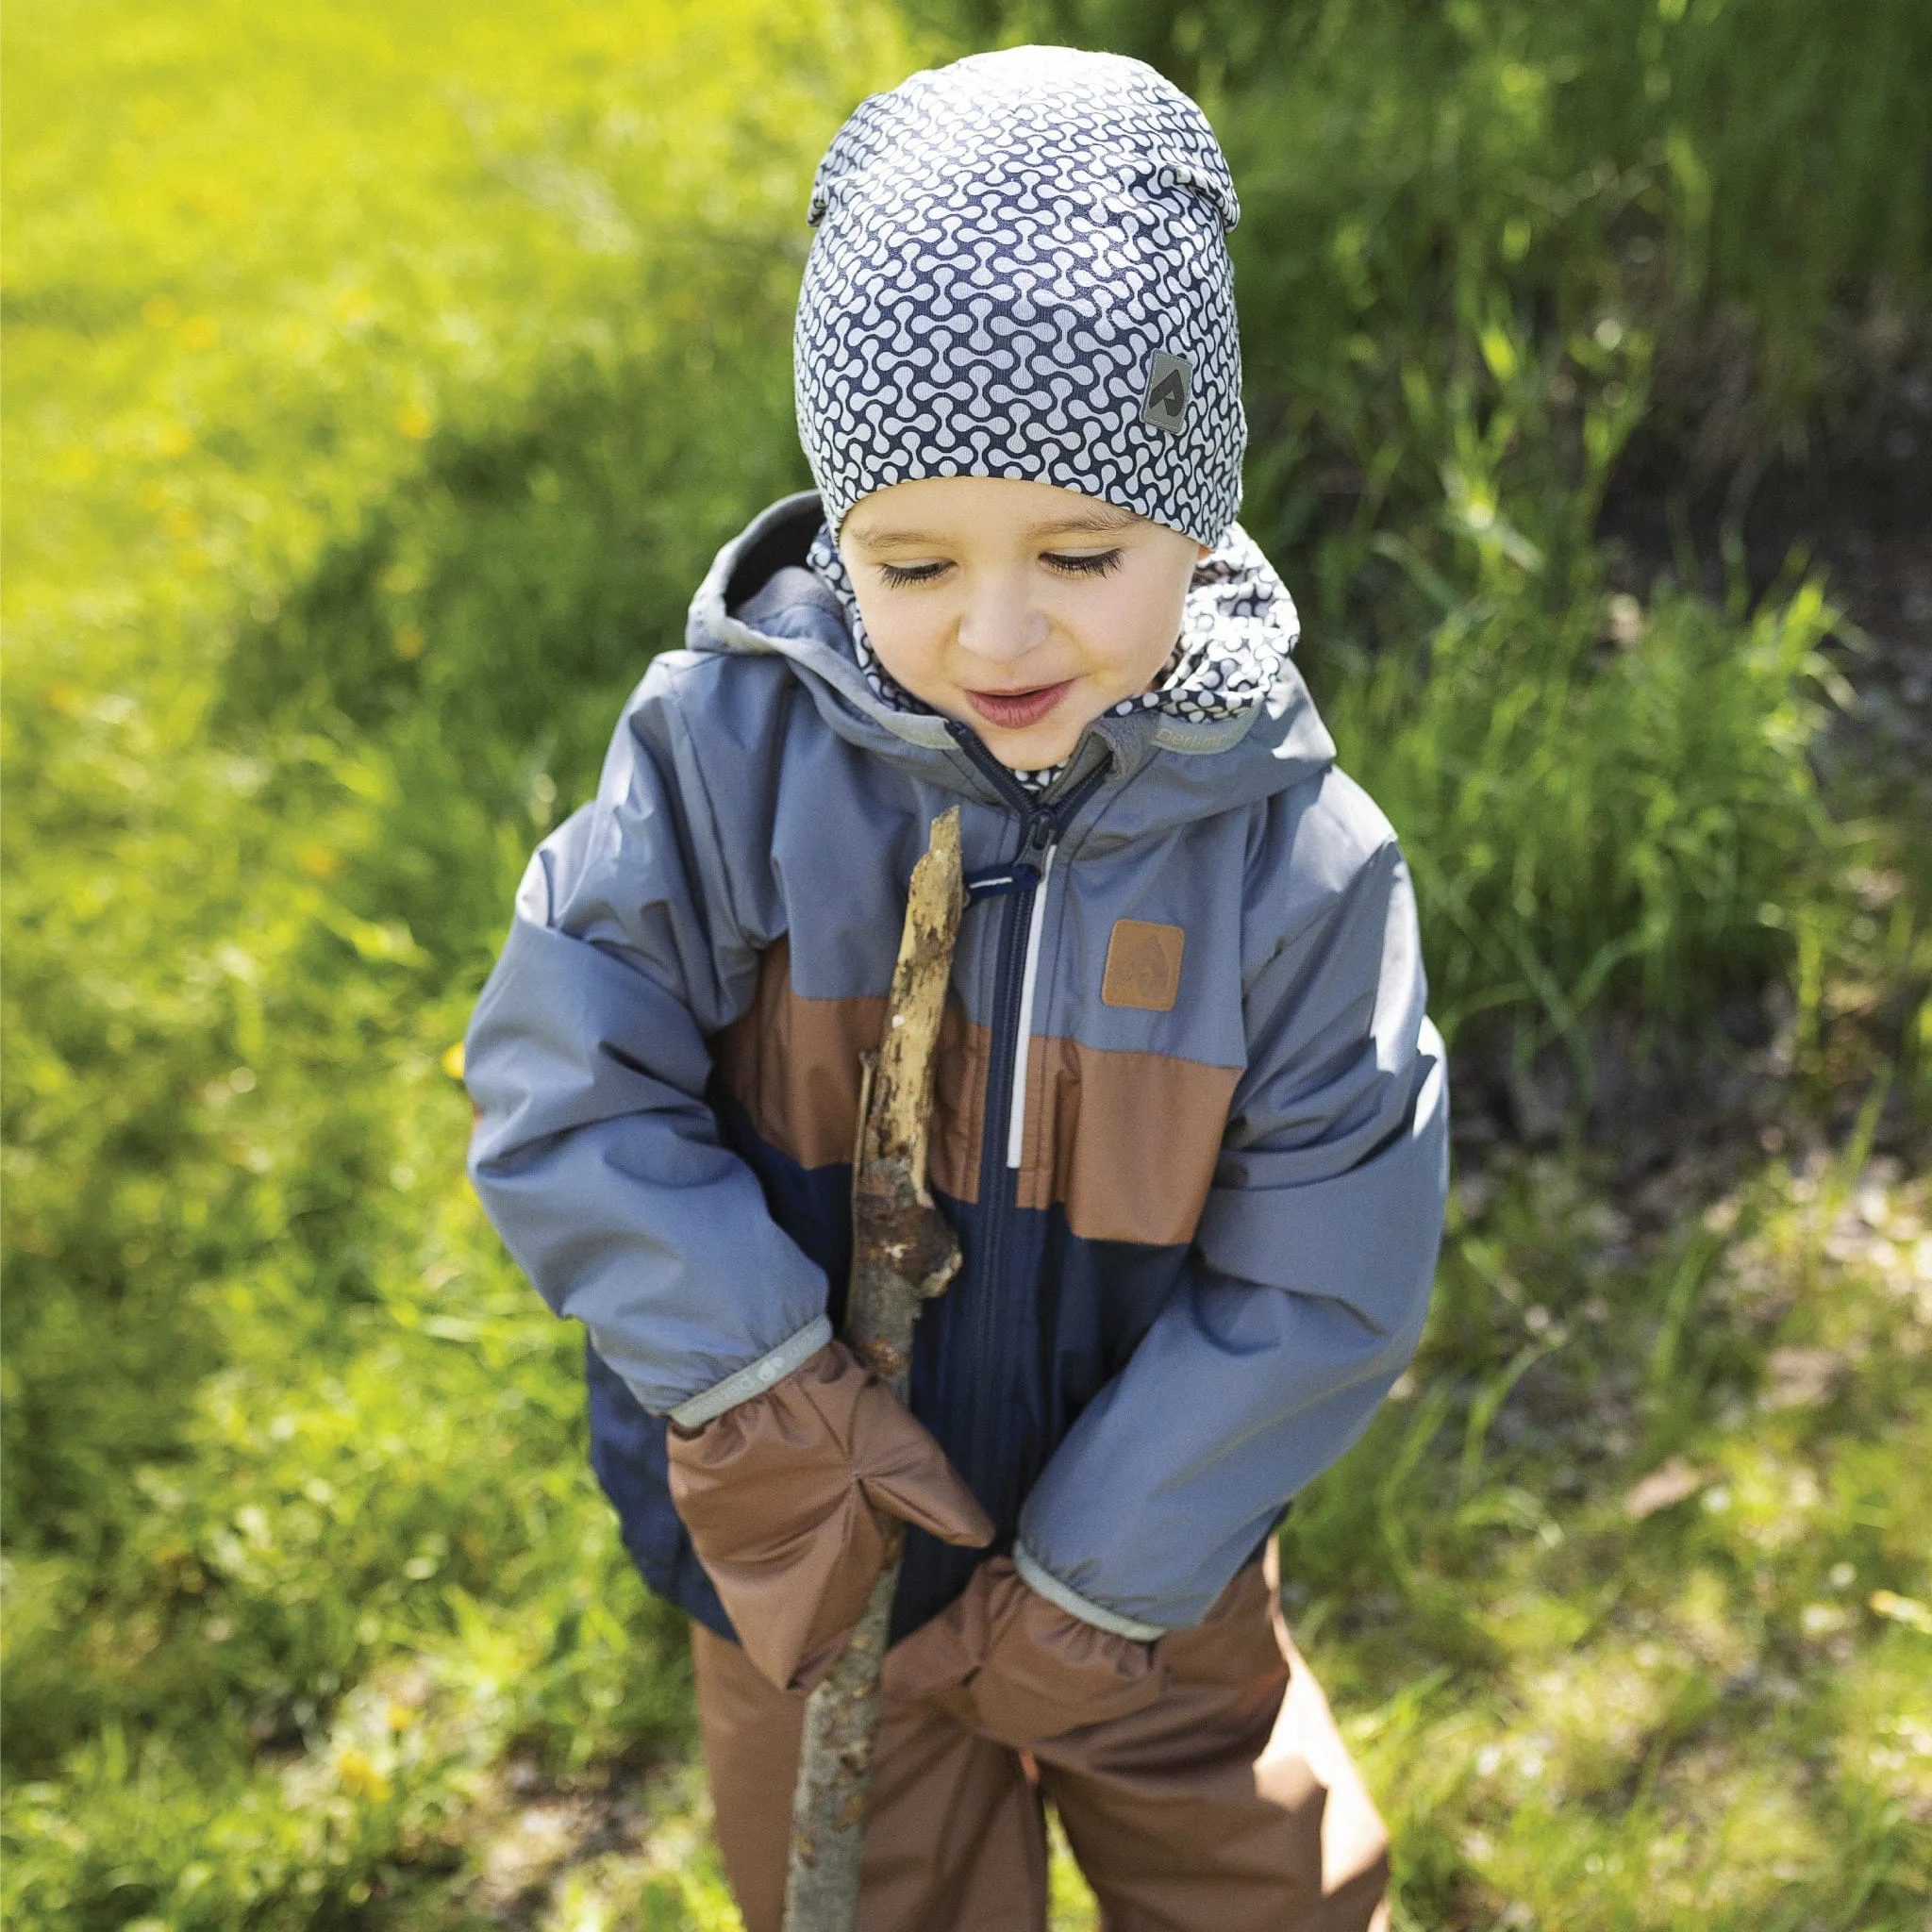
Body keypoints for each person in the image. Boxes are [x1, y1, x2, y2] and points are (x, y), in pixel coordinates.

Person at [465, 43, 1447, 1932]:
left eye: (1081, 552)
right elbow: (563, 1077)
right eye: (911, 560)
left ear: (1194, 518)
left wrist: (1103, 1577)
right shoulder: (722, 759)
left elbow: (1328, 1261)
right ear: (839, 532)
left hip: (1153, 1582)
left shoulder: (1290, 861)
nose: (996, 634)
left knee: (1259, 1894)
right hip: (797, 1557)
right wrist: (760, 1399)